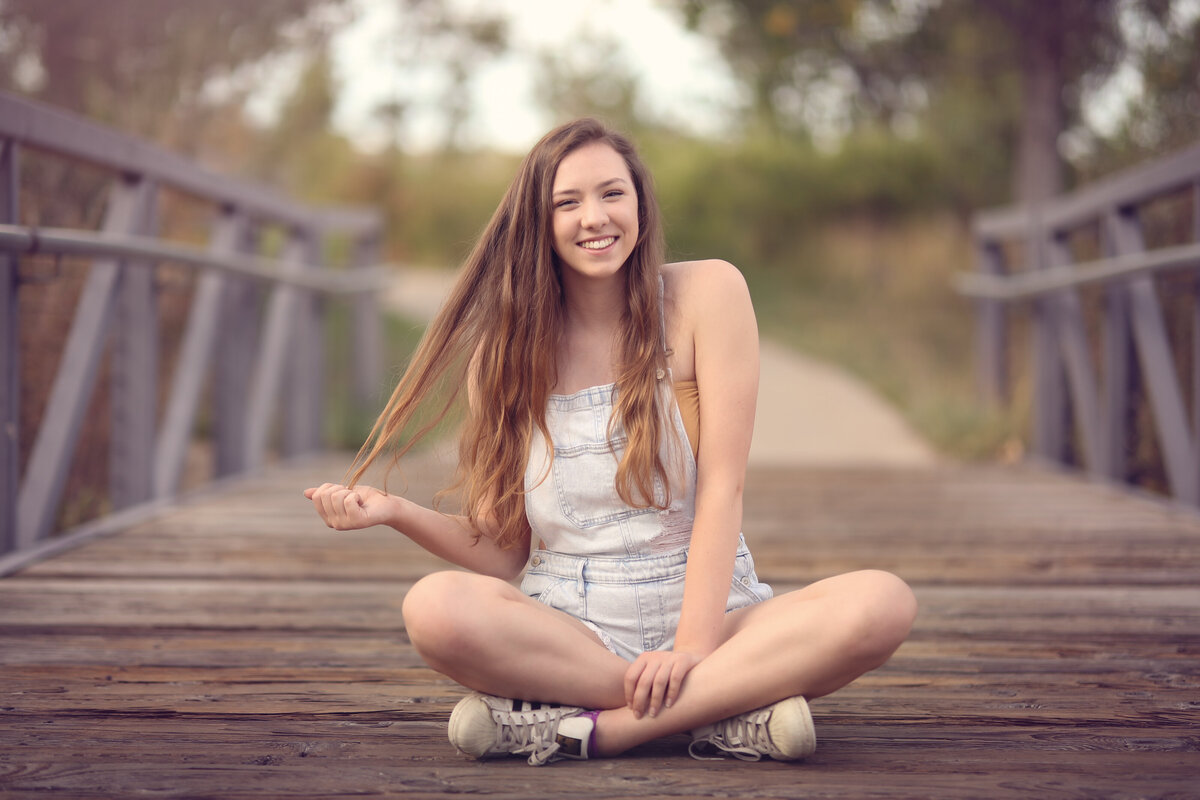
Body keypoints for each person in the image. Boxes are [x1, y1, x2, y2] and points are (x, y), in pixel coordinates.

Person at [305, 117, 917, 766]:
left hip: (715, 614)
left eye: (611, 193)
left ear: (641, 203)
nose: (594, 217)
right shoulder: (503, 358)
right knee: (433, 608)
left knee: (881, 603)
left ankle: (591, 728)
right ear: (538, 224)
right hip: (572, 632)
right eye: (567, 202)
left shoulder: (709, 294)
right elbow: (505, 551)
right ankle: (726, 709)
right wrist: (396, 512)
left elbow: (722, 491)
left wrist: (691, 649)